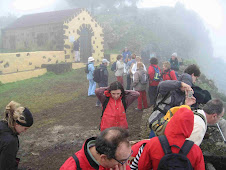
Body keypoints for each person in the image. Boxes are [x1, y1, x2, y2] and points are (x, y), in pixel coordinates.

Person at [131, 107, 205, 170]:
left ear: (171, 122)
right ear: (190, 127)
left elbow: (142, 166)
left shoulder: (153, 143)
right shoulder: (195, 150)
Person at [60, 127, 132, 170]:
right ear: (103, 158)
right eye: (123, 161)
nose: (127, 163)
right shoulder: (72, 167)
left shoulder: (118, 161)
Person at [0, 101, 33, 170]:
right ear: (17, 124)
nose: (25, 131)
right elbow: (6, 167)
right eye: (25, 128)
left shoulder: (2, 124)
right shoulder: (11, 141)